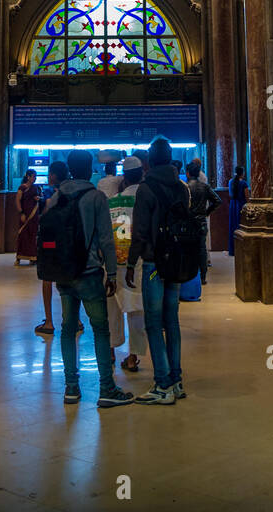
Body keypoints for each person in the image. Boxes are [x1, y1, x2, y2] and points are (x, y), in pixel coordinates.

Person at [53, 149, 134, 408]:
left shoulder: (55, 197)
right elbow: (106, 239)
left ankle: (71, 388)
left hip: (64, 273)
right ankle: (107, 389)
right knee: (100, 329)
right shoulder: (96, 197)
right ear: (90, 170)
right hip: (89, 272)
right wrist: (111, 273)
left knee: (67, 329)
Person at [126, 135, 190, 404]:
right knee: (171, 321)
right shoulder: (181, 187)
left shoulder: (146, 188)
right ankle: (175, 380)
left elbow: (139, 232)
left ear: (150, 161)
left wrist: (130, 263)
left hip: (153, 263)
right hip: (175, 260)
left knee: (153, 322)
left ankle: (162, 384)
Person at [107, 156, 147, 372]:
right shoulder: (146, 199)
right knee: (137, 309)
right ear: (141, 174)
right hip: (137, 263)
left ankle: (112, 352)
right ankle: (132, 357)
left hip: (114, 262)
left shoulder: (112, 201)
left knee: (111, 306)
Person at [35, 160, 78, 336]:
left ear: (53, 175)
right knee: (71, 278)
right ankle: (76, 319)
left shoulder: (47, 192)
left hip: (50, 242)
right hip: (69, 241)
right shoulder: (74, 191)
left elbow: (44, 215)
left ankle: (49, 321)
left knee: (47, 279)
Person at [185, 159, 220, 285]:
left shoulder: (185, 187)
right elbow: (217, 201)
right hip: (201, 222)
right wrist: (206, 212)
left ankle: (189, 275)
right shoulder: (205, 187)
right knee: (202, 249)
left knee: (188, 249)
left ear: (188, 173)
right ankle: (203, 277)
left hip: (188, 223)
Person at [15, 168, 40, 266]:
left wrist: (37, 198)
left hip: (34, 215)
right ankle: (19, 257)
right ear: (28, 177)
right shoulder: (22, 187)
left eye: (35, 176)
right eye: (33, 176)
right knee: (23, 235)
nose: (35, 178)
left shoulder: (35, 187)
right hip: (25, 215)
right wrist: (21, 213)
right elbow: (17, 201)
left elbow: (40, 198)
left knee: (33, 235)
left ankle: (32, 257)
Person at [227, 165, 248, 255]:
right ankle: (241, 249)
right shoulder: (244, 183)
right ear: (242, 173)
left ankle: (232, 249)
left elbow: (230, 195)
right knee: (240, 226)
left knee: (233, 226)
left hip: (233, 205)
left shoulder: (230, 182)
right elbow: (247, 196)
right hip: (241, 205)